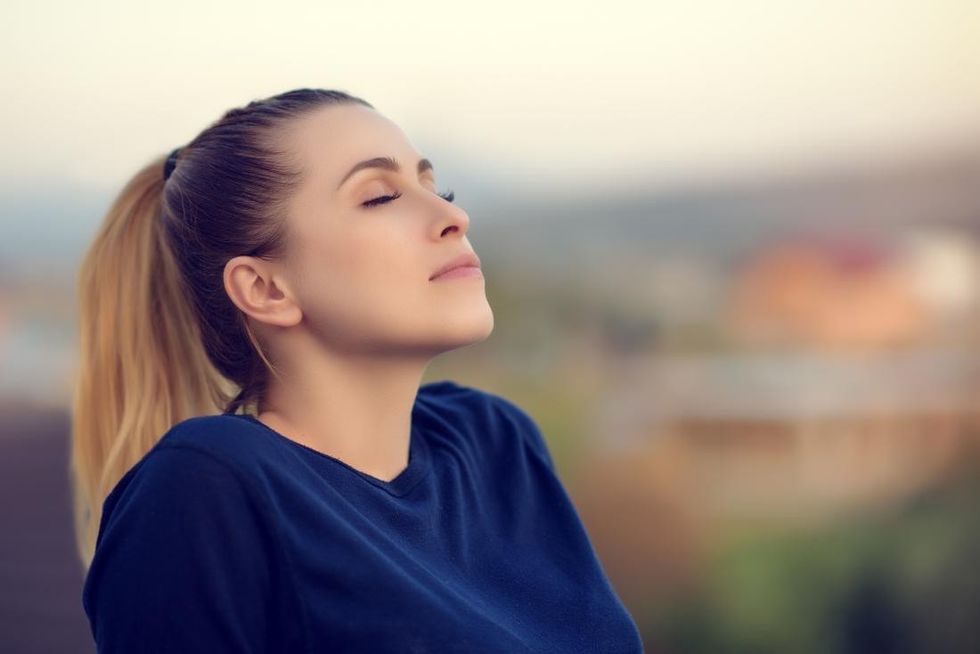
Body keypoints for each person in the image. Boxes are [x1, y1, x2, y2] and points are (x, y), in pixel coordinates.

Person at [71, 87, 645, 653]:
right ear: (266, 288)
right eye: (379, 197)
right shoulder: (208, 488)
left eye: (435, 188)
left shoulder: (495, 443)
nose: (453, 216)